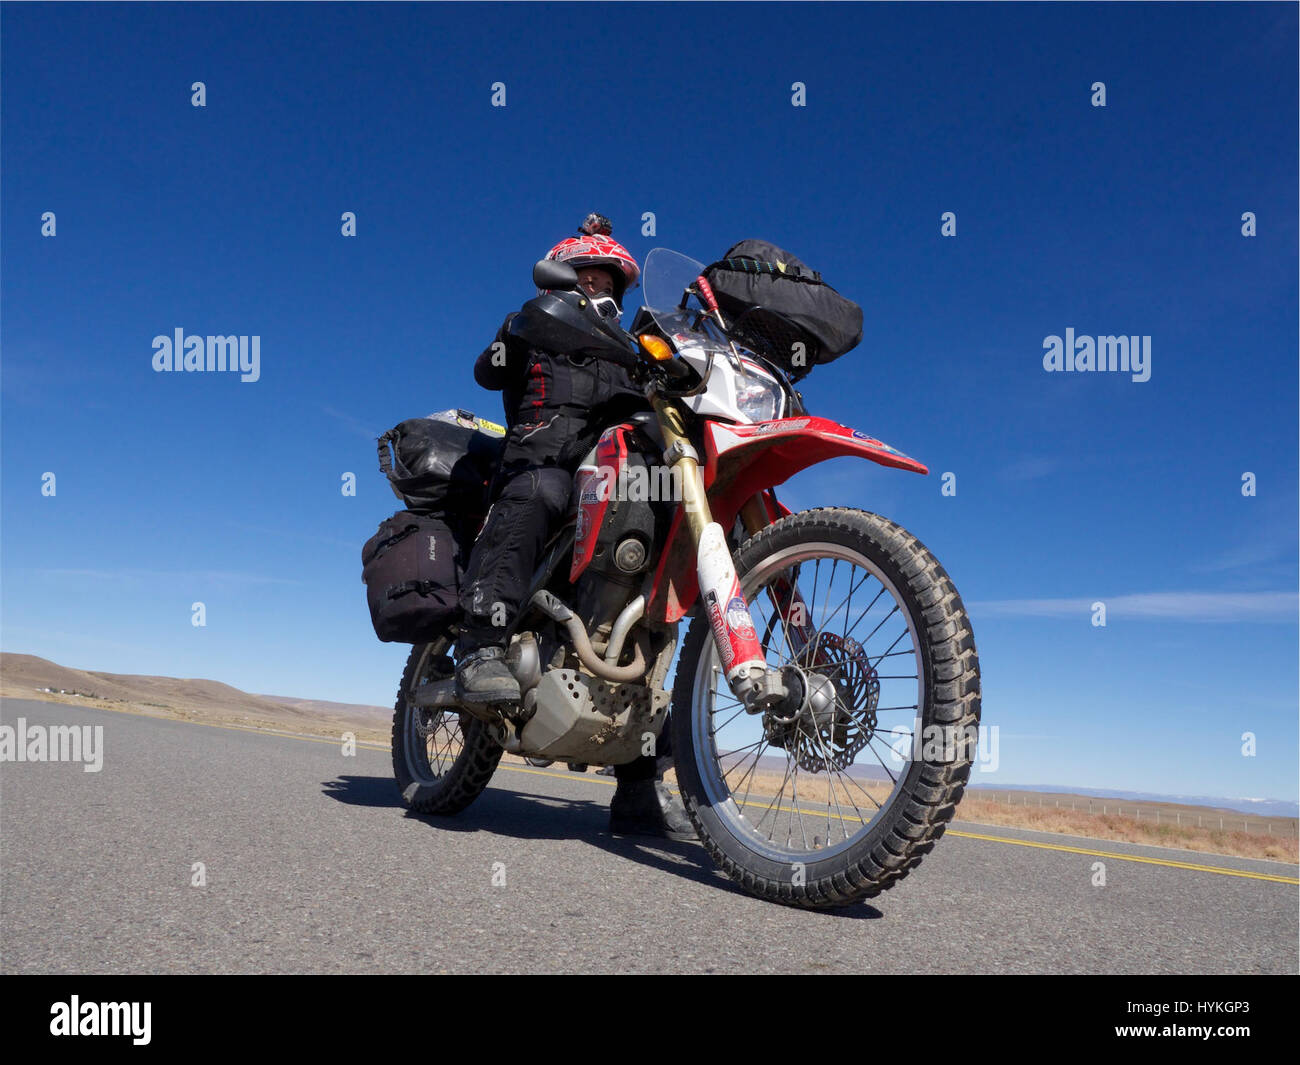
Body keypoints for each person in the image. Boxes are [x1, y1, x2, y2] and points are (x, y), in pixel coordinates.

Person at [456, 213, 692, 841]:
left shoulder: (634, 349)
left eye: (610, 277)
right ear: (563, 277)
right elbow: (488, 369)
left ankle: (640, 786)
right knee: (540, 491)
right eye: (589, 275)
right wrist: (525, 323)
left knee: (649, 592)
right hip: (543, 461)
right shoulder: (534, 324)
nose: (601, 286)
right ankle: (481, 642)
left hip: (612, 483)